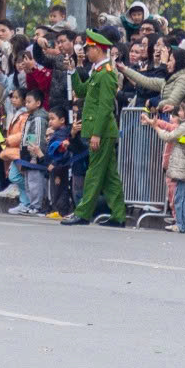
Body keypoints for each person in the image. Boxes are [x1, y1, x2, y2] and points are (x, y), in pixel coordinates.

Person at [62, 29, 127, 226]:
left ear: (97, 49)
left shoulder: (106, 74)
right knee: (110, 177)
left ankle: (82, 213)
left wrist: (96, 134)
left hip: (102, 132)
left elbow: (105, 107)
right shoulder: (98, 72)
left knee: (93, 173)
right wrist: (73, 71)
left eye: (88, 49)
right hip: (100, 131)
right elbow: (81, 91)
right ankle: (118, 215)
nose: (86, 53)